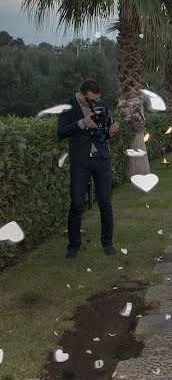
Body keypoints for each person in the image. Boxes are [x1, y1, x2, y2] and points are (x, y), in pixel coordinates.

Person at [57, 80, 121, 259]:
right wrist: (81, 123)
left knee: (106, 204)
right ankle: (73, 246)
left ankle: (107, 244)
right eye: (91, 101)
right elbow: (60, 132)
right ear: (81, 94)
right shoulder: (67, 106)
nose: (95, 104)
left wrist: (111, 130)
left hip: (101, 159)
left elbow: (103, 133)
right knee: (77, 204)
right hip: (80, 161)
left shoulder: (101, 104)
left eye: (97, 100)